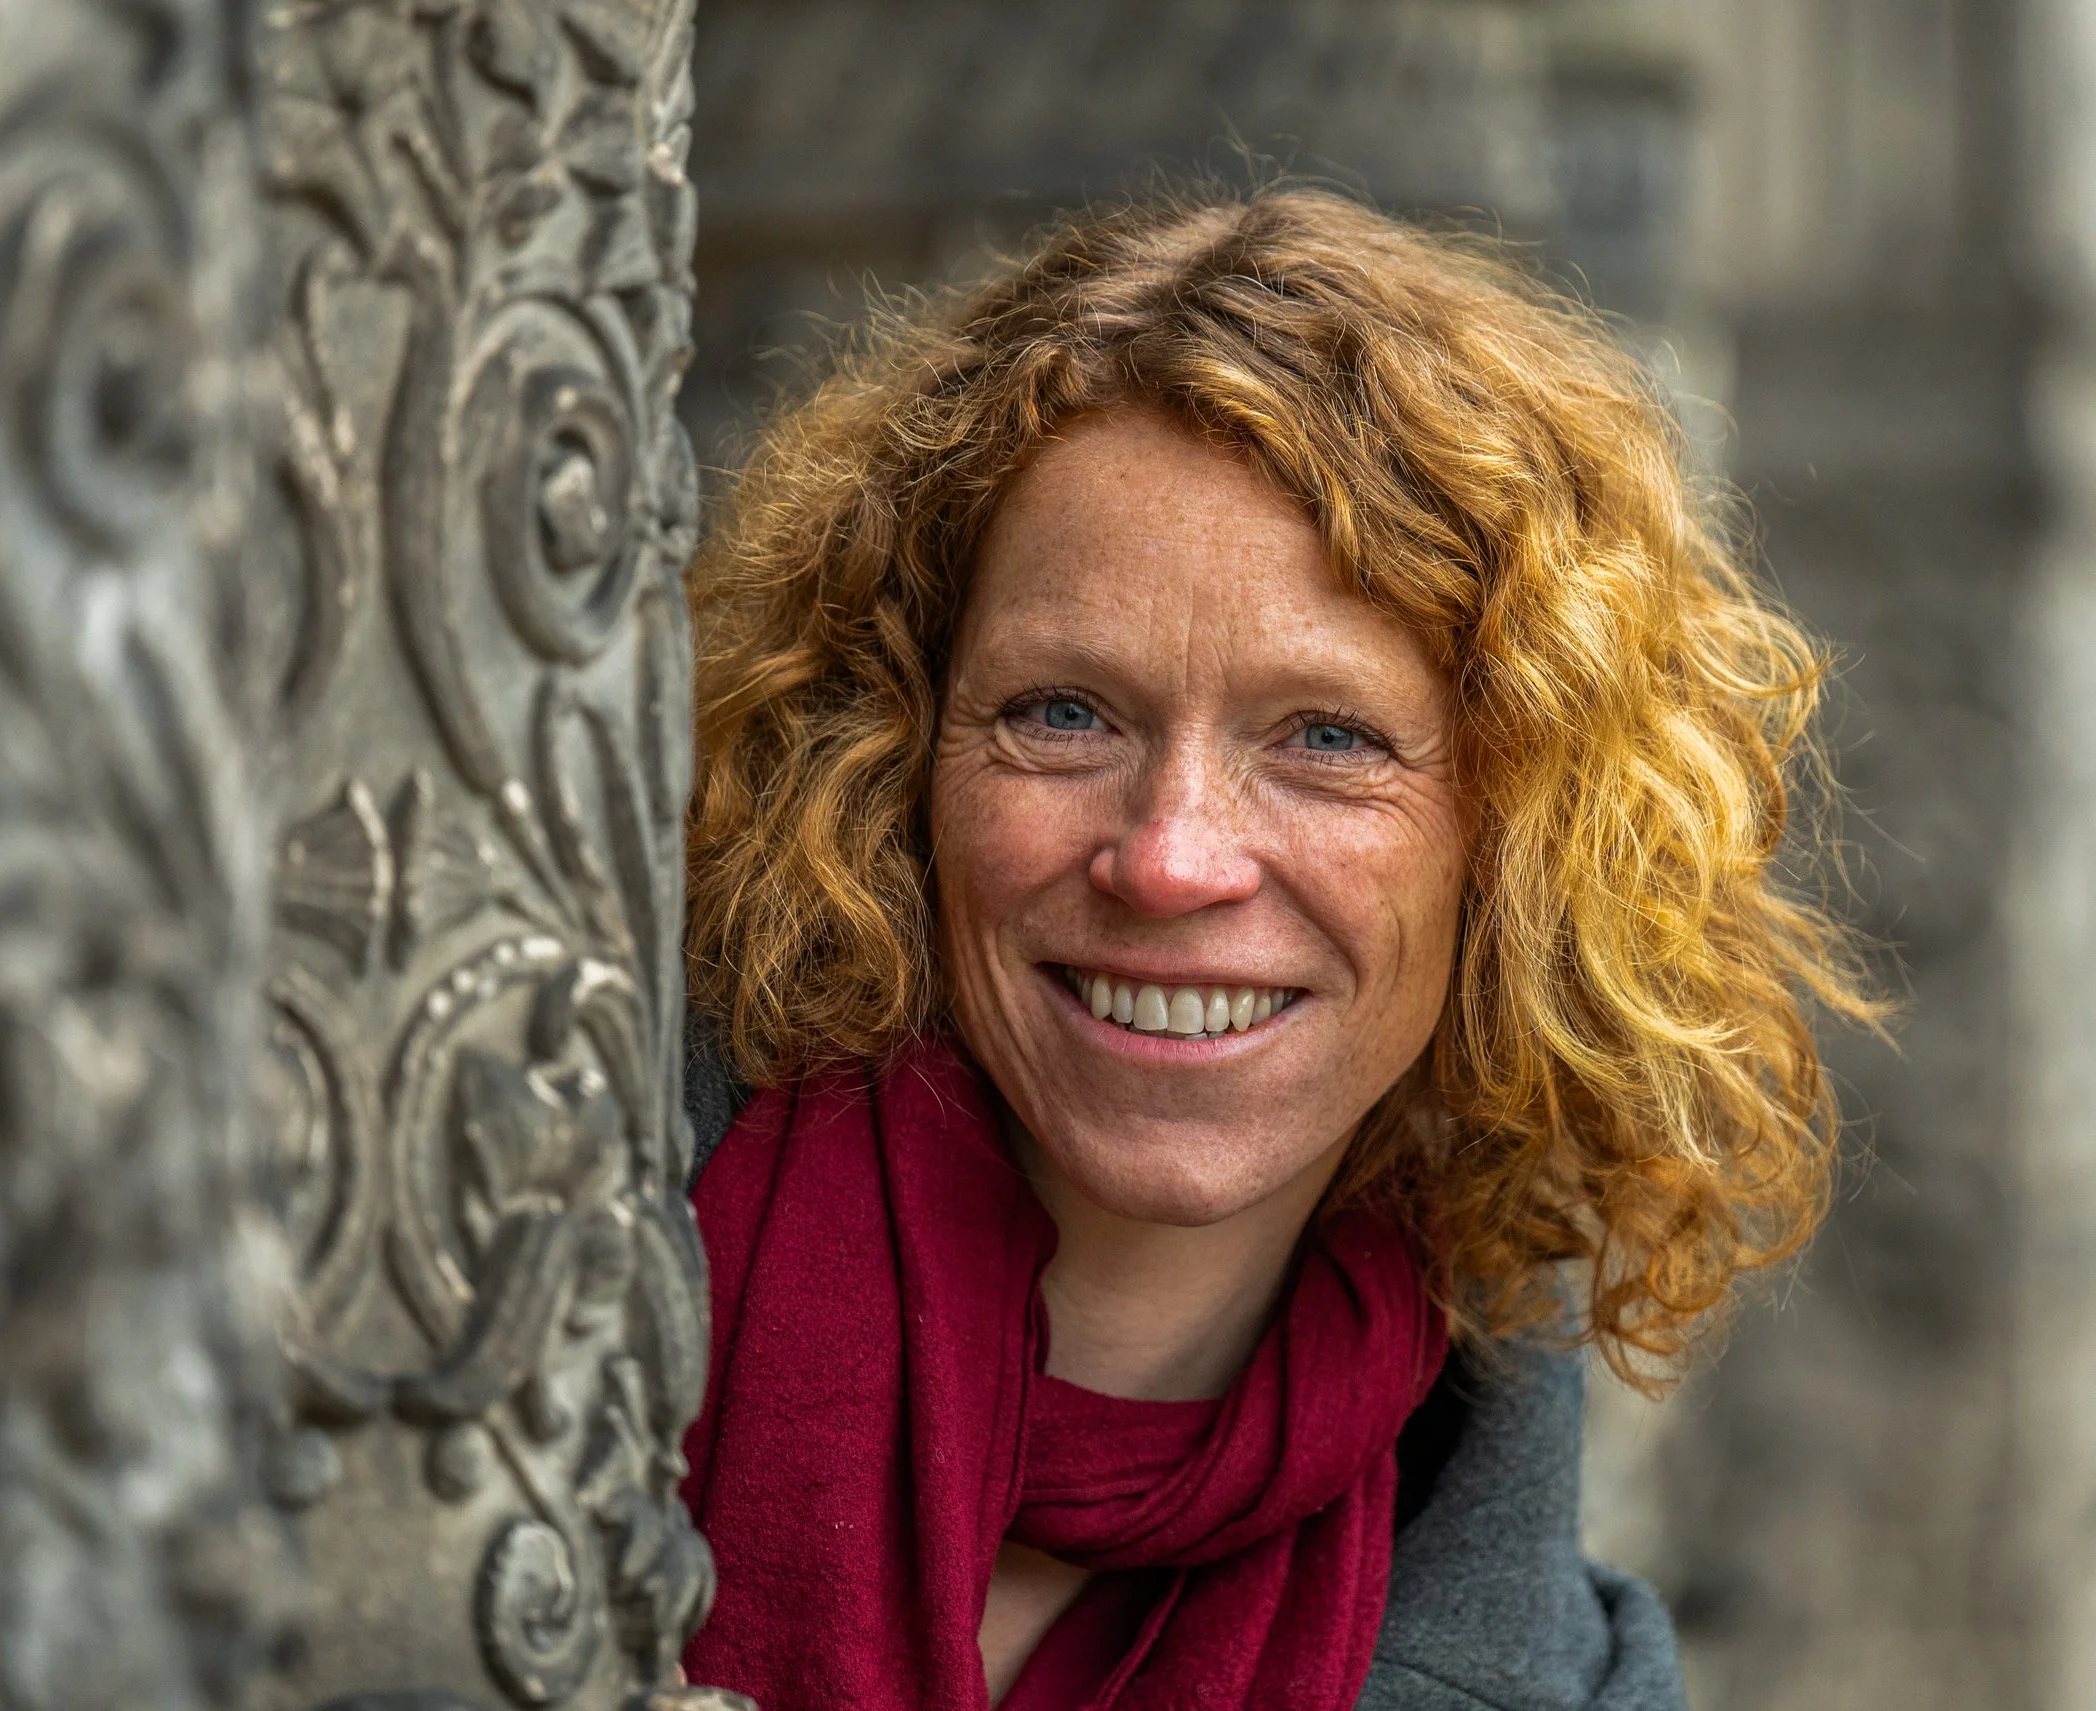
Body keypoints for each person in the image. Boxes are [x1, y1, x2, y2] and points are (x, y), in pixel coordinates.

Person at [674, 187, 1879, 1711]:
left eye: (1327, 738)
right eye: (1063, 713)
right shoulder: (529, 1229)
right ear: (896, 759)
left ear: (1521, 845)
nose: (1171, 857)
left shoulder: (1567, 1687)